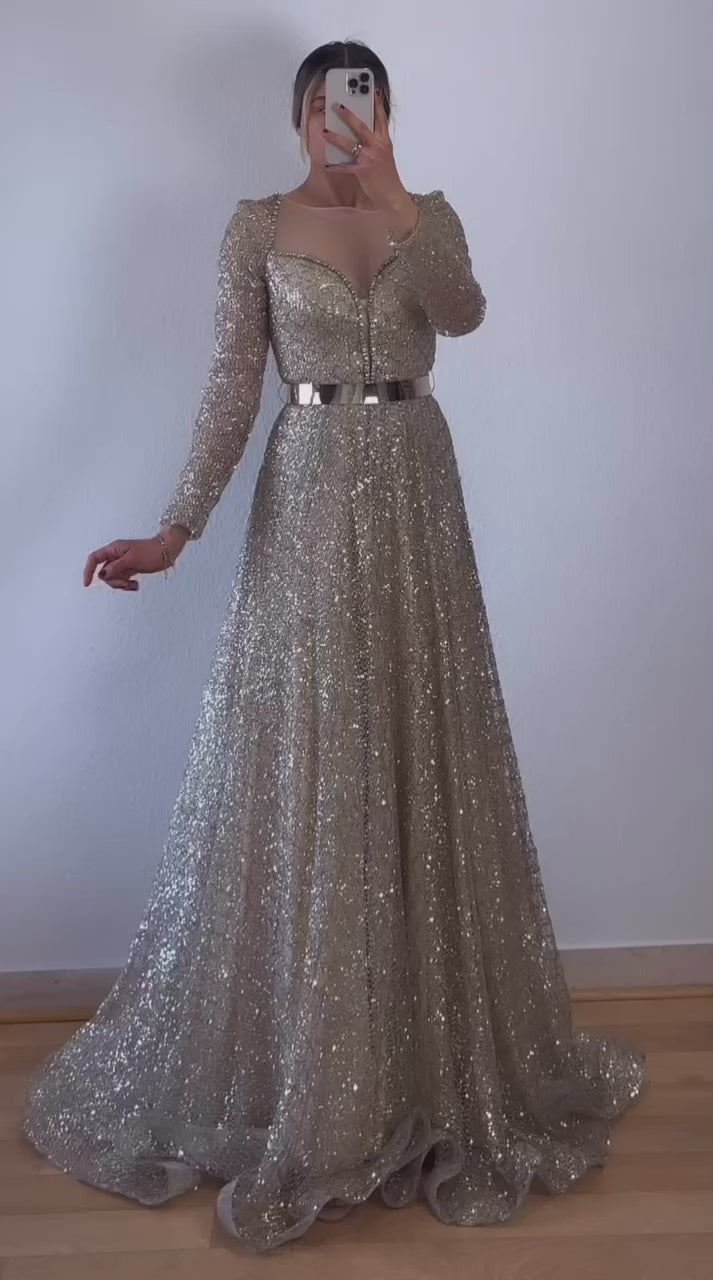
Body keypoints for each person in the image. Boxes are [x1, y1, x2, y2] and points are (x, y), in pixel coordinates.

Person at [21, 38, 645, 1254]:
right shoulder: (255, 227)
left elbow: (463, 312)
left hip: (417, 496)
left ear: (386, 115)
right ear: (297, 117)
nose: (338, 121)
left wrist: (398, 196)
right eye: (320, 104)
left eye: (359, 102)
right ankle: (319, 1071)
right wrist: (175, 527)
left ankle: (419, 1063)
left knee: (418, 745)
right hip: (305, 498)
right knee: (316, 756)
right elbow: (230, 383)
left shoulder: (429, 218)